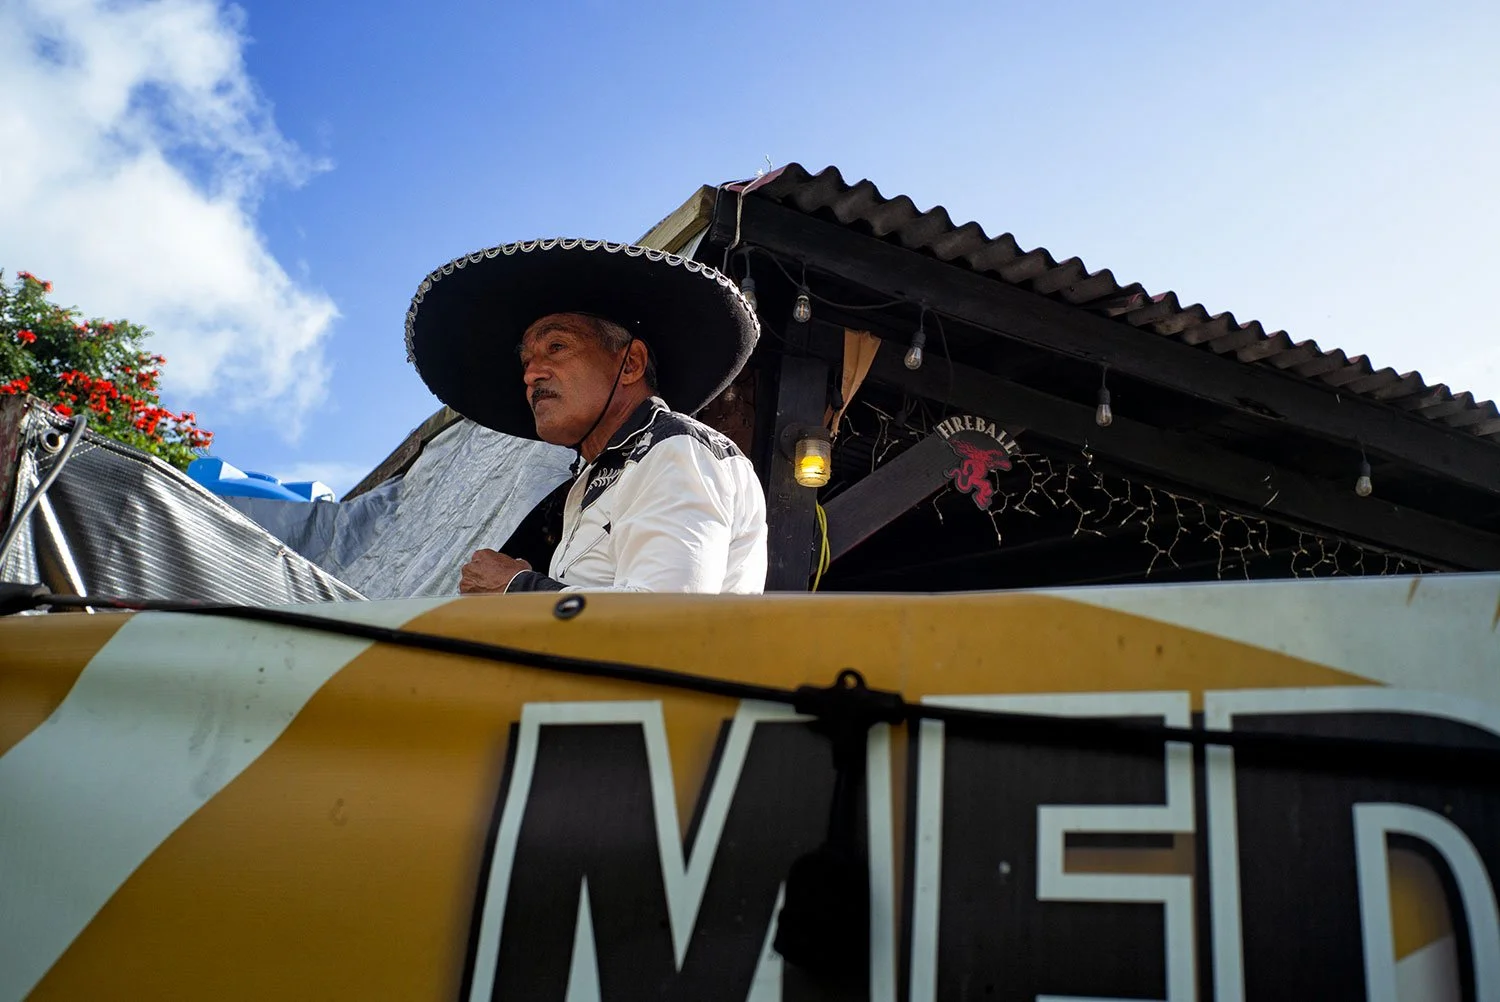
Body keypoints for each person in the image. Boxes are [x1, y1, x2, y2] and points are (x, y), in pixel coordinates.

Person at [403, 238, 767, 593]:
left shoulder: (674, 448)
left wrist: (517, 589)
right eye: (526, 361)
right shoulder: (597, 479)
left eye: (556, 347)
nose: (531, 375)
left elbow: (665, 618)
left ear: (631, 364)